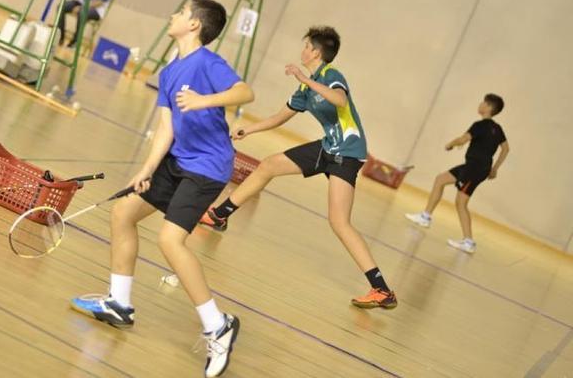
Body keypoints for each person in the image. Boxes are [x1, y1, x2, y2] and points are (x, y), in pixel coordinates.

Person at [70, 0, 254, 377]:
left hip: (208, 168)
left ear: (195, 26)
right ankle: (119, 304)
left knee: (170, 240)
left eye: (181, 13)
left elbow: (244, 93)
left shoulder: (207, 62)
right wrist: (147, 169)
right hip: (178, 161)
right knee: (124, 212)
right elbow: (166, 127)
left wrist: (206, 100)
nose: (173, 15)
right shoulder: (170, 72)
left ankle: (218, 325)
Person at [199, 26, 398, 310]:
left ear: (315, 52)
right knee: (268, 166)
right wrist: (250, 130)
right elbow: (281, 116)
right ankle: (220, 215)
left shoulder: (331, 76)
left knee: (339, 222)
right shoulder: (306, 86)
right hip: (327, 147)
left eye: (306, 46)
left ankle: (382, 290)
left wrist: (305, 77)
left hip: (347, 152)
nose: (302, 50)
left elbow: (339, 99)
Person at [406, 94, 509, 254]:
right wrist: (494, 168)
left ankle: (468, 241)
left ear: (489, 107)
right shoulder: (497, 129)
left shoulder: (479, 125)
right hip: (474, 167)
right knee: (440, 179)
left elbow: (463, 139)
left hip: (474, 169)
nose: (480, 104)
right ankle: (425, 217)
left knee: (461, 202)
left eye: (483, 102)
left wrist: (450, 144)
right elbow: (506, 148)